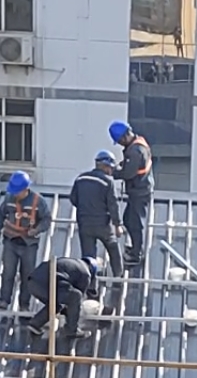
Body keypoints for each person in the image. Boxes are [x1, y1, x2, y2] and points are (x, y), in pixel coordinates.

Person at [0, 170, 52, 311]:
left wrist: (36, 230)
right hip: (10, 241)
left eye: (17, 191)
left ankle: (24, 304)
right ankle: (4, 300)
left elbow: (46, 219)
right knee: (8, 272)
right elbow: (1, 215)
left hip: (29, 244)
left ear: (25, 189)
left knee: (27, 275)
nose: (15, 194)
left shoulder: (38, 201)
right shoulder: (8, 199)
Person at [21, 254, 102, 345]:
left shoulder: (72, 263)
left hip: (33, 283)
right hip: (48, 284)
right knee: (76, 296)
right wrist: (71, 312)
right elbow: (77, 298)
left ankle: (35, 324)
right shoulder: (86, 273)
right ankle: (72, 330)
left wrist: (66, 309)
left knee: (55, 304)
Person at [69, 151, 124, 282]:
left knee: (88, 257)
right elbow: (113, 205)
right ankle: (118, 278)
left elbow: (73, 199)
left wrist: (85, 208)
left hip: (84, 223)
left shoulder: (81, 178)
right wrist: (117, 225)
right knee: (113, 247)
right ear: (105, 166)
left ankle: (90, 283)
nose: (111, 171)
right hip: (103, 224)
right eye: (110, 168)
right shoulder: (107, 182)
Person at [109, 120, 154, 266]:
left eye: (120, 141)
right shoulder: (138, 143)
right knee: (128, 219)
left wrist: (113, 172)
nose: (120, 144)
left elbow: (128, 173)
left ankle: (136, 254)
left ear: (124, 137)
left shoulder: (135, 151)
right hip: (140, 189)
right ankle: (135, 248)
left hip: (139, 192)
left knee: (135, 223)